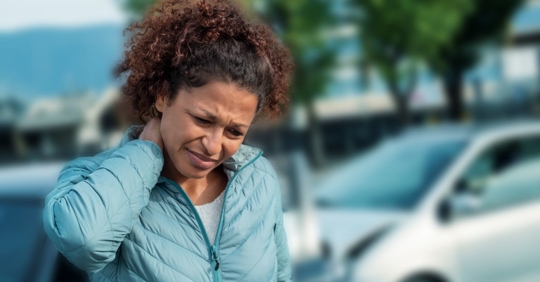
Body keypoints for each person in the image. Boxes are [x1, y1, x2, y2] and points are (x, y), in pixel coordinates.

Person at [42, 0, 294, 281]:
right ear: (163, 95)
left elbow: (281, 274)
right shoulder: (92, 178)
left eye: (234, 132)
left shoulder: (259, 180)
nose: (213, 145)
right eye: (202, 120)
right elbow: (82, 242)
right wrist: (145, 154)